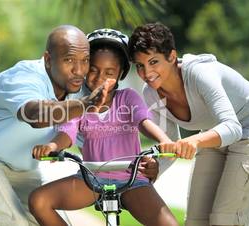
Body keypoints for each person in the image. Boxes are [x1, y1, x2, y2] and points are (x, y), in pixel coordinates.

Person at [0, 25, 117, 226]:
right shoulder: (24, 77)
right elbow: (35, 114)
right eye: (69, 60)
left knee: (51, 220)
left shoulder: (77, 88)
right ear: (48, 59)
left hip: (19, 164)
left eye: (85, 61)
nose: (79, 70)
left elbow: (89, 138)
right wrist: (86, 105)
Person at [128, 22, 249, 226]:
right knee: (195, 221)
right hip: (215, 131)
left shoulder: (200, 74)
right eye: (140, 65)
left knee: (224, 220)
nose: (147, 73)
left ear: (172, 57)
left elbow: (233, 128)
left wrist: (195, 141)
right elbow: (172, 141)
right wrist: (158, 166)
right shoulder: (151, 94)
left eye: (154, 62)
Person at [29, 28, 179, 226]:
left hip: (131, 179)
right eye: (94, 69)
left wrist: (164, 141)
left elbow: (144, 121)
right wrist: (53, 147)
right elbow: (67, 132)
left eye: (109, 72)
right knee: (38, 201)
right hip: (91, 179)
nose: (100, 77)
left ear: (121, 74)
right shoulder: (78, 104)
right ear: (85, 68)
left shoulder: (128, 98)